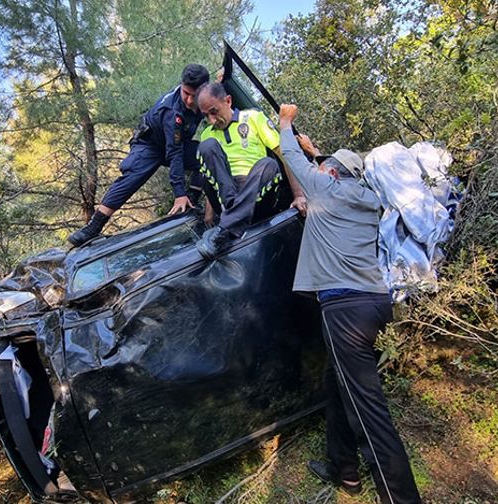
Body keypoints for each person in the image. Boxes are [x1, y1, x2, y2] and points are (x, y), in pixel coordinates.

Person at [277, 103, 422, 504]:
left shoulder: (324, 189)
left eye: (325, 167)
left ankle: (401, 498)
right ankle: (345, 470)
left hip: (344, 310)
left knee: (369, 411)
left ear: (331, 173)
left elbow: (288, 154)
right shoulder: (369, 199)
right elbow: (331, 169)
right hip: (374, 303)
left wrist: (286, 122)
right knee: (336, 383)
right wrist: (318, 153)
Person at [68, 64, 210, 247]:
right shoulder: (172, 113)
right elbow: (174, 153)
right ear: (181, 86)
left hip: (176, 144)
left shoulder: (208, 96)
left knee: (206, 153)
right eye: (186, 93)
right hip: (150, 145)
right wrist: (178, 193)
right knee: (133, 176)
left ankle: (191, 202)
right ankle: (93, 227)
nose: (190, 100)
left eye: (195, 95)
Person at [194, 82, 306, 259]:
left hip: (257, 194)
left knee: (269, 164)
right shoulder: (207, 133)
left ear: (228, 100)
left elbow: (285, 154)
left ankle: (227, 226)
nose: (211, 120)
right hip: (226, 197)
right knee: (206, 146)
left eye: (214, 112)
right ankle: (232, 217)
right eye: (205, 115)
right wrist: (209, 219)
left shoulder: (253, 118)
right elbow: (214, 176)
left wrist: (298, 194)